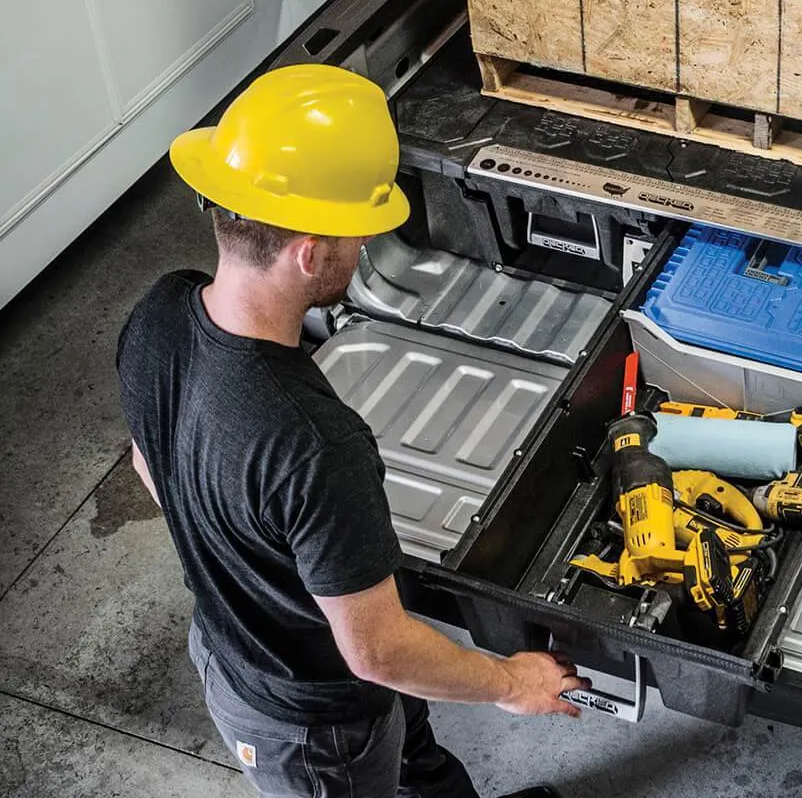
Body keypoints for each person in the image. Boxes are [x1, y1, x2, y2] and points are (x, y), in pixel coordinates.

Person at [117, 63, 587, 798]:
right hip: (311, 726)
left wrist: (245, 563)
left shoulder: (157, 314)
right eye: (360, 234)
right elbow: (377, 651)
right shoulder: (312, 442)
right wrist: (508, 681)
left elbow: (150, 466)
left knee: (414, 759)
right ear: (309, 251)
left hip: (237, 646)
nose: (367, 249)